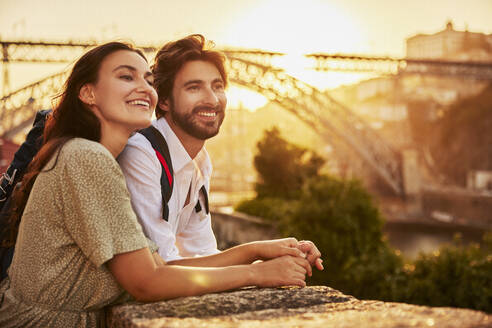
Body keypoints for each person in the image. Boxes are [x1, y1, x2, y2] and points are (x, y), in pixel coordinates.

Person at [0, 42, 311, 328]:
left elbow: (163, 264)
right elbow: (147, 281)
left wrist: (257, 251)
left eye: (147, 79)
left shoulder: (93, 156)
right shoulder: (87, 157)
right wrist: (256, 272)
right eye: (126, 77)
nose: (143, 87)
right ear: (88, 94)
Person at [118, 35, 324, 271]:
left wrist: (275, 258)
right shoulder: (141, 154)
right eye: (194, 87)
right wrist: (254, 254)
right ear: (163, 100)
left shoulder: (199, 161)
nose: (212, 99)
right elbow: (163, 268)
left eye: (217, 86)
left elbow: (201, 253)